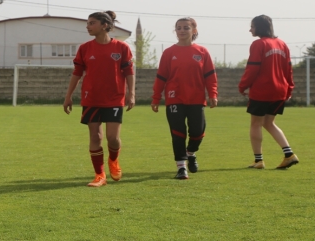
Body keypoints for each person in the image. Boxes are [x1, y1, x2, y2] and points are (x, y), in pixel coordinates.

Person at [63, 11, 135, 187]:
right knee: (95, 137)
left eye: (92, 23)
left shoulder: (121, 48)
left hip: (114, 98)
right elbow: (77, 73)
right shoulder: (85, 48)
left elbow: (129, 72)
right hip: (91, 98)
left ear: (105, 25)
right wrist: (68, 96)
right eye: (87, 23)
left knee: (112, 138)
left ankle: (114, 160)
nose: (88, 26)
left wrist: (131, 94)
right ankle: (99, 175)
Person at [151, 18, 218, 180]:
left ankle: (191, 153)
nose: (182, 30)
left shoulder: (202, 52)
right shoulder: (169, 53)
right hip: (174, 98)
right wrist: (156, 98)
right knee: (177, 133)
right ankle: (181, 168)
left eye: (186, 28)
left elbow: (210, 76)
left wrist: (213, 94)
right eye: (178, 28)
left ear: (194, 30)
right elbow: (161, 77)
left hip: (196, 98)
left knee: (198, 132)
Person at [239, 15, 298, 170]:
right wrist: (289, 87)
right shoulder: (282, 44)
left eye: (252, 26)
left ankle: (258, 161)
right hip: (280, 90)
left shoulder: (259, 44)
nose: (250, 29)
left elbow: (252, 68)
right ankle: (289, 154)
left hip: (262, 90)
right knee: (269, 123)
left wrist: (243, 85)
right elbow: (288, 69)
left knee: (256, 124)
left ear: (259, 27)